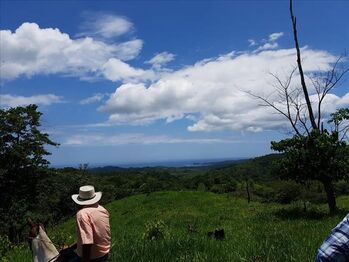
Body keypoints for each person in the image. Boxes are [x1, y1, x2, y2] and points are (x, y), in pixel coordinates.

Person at [62, 185, 111, 262]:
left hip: (92, 257)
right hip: (104, 254)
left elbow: (87, 243)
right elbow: (92, 237)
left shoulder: (82, 214)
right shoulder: (102, 209)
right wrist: (71, 247)